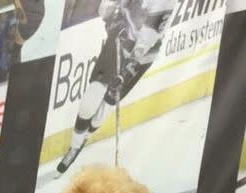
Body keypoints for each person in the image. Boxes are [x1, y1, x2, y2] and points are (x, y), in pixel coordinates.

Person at [57, 0, 174, 175]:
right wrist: (111, 17)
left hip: (141, 58)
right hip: (120, 39)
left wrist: (130, 66)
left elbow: (149, 35)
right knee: (90, 100)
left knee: (105, 107)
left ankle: (85, 137)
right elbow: (107, 6)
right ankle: (74, 147)